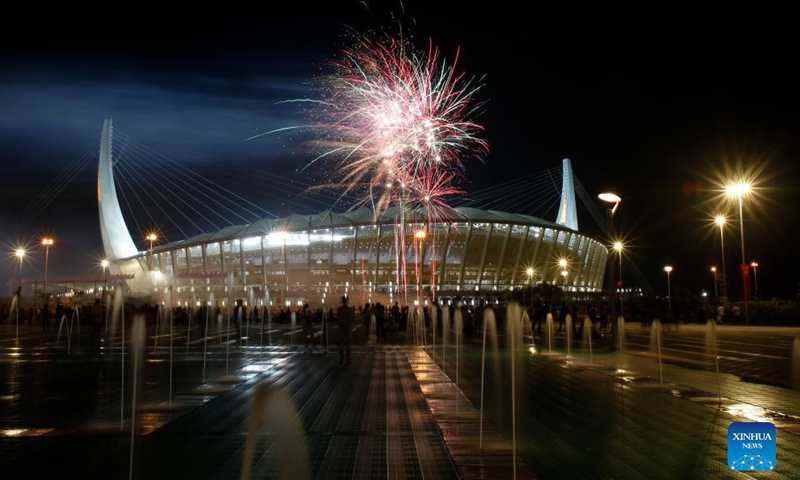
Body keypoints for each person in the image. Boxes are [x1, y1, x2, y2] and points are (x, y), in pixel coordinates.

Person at [337, 295, 354, 364]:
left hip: (341, 327)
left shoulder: (339, 310)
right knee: (348, 343)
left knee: (341, 343)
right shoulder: (350, 310)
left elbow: (338, 319)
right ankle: (348, 358)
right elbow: (352, 319)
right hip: (348, 327)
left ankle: (341, 358)